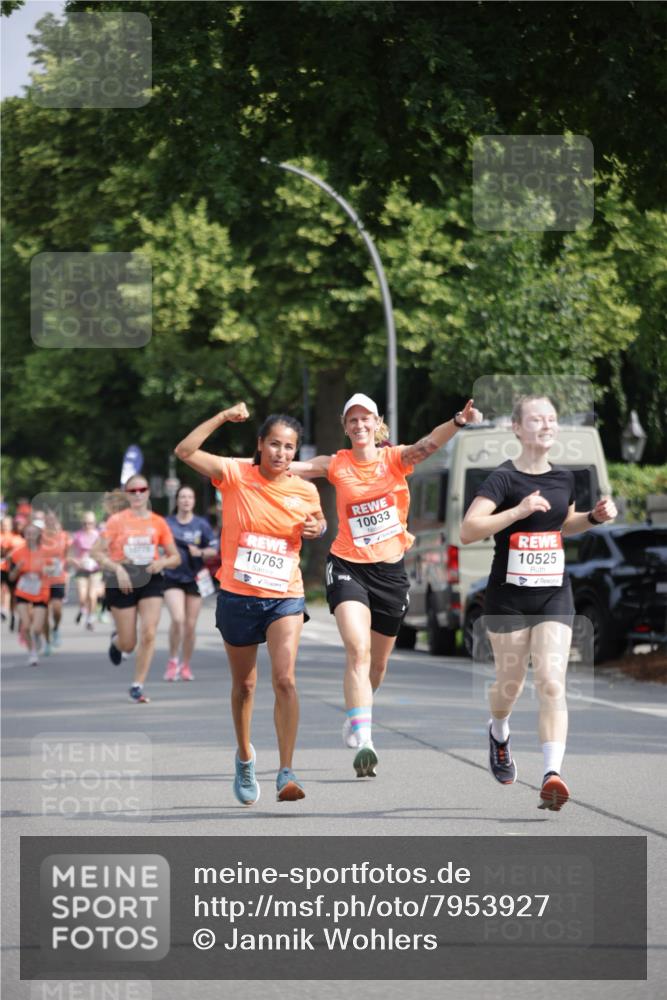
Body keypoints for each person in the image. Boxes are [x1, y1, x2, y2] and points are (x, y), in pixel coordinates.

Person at [292, 392, 482, 778]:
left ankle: (356, 715)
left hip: (391, 574)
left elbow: (429, 443)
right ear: (345, 428)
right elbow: (289, 466)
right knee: (357, 650)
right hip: (347, 565)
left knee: (377, 664)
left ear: (377, 425)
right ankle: (365, 739)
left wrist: (457, 422)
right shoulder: (336, 464)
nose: (359, 426)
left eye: (365, 420)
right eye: (352, 421)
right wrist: (243, 465)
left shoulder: (394, 459)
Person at [460, 395, 617, 811]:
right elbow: (469, 529)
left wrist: (595, 517)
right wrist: (517, 510)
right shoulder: (503, 479)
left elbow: (563, 524)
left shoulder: (565, 478)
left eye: (552, 418)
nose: (547, 425)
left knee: (551, 680)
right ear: (517, 428)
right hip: (507, 599)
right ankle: (498, 730)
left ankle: (551, 774)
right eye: (537, 419)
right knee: (509, 685)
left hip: (552, 592)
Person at [174, 403, 325, 805]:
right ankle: (244, 757)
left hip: (284, 596)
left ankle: (286, 771)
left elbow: (318, 523)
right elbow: (185, 451)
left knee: (285, 679)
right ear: (260, 445)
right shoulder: (235, 474)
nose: (281, 453)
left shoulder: (305, 489)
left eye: (289, 447)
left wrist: (318, 527)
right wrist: (222, 416)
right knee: (245, 685)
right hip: (239, 596)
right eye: (274, 444)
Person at [91, 475, 181, 704]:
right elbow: (96, 552)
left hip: (150, 577)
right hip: (121, 579)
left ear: (148, 492)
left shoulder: (158, 522)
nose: (138, 494)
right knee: (128, 643)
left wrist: (161, 563)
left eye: (142, 489)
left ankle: (137, 685)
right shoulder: (116, 521)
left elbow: (175, 557)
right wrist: (117, 568)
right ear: (127, 494)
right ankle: (117, 641)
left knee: (149, 633)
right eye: (133, 491)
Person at [163, 485, 218, 681]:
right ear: (177, 500)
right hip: (172, 576)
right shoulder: (167, 523)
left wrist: (201, 552)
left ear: (193, 501)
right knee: (178, 619)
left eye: (190, 497)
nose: (186, 500)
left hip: (195, 577)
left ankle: (185, 664)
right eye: (183, 497)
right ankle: (172, 660)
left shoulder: (201, 524)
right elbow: (157, 544)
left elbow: (214, 550)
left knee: (190, 625)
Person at [8, 521, 51, 666]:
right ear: (24, 535)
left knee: (37, 628)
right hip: (23, 591)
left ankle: (37, 637)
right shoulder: (17, 553)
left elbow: (54, 572)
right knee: (26, 626)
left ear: (39, 535)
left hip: (40, 592)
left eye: (33, 533)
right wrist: (17, 569)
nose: (30, 536)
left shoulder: (46, 552)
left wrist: (47, 571)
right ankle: (32, 652)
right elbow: (11, 577)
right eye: (28, 534)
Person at [42, 510, 71, 651]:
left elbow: (68, 555)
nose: (50, 523)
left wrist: (68, 571)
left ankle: (56, 629)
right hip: (41, 580)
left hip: (58, 577)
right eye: (48, 521)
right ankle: (47, 642)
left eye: (53, 520)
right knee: (43, 612)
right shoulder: (39, 537)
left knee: (57, 609)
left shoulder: (64, 537)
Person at [69, 511, 104, 629]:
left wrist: (100, 560)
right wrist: (75, 561)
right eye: (85, 523)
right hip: (81, 569)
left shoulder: (99, 535)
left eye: (90, 523)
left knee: (92, 595)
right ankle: (83, 609)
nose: (87, 526)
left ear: (94, 523)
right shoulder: (77, 536)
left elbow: (105, 552)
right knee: (82, 596)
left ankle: (90, 618)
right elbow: (69, 553)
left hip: (95, 569)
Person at [1, 515, 23, 627]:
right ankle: (4, 609)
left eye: (7, 525)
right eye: (3, 525)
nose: (5, 527)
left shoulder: (17, 538)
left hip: (12, 569)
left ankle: (14, 614)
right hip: (2, 568)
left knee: (13, 593)